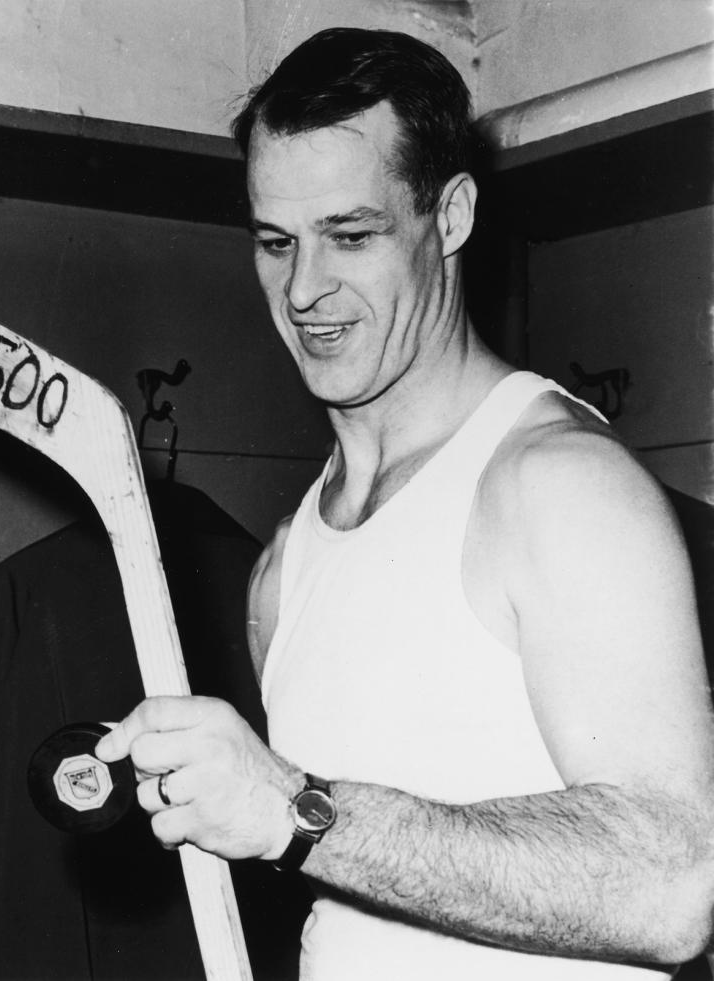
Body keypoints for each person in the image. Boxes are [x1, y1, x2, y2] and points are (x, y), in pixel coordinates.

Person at [96, 27, 714, 977]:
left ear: (452, 215)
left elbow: (676, 885)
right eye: (276, 242)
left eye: (351, 235)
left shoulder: (557, 485)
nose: (304, 289)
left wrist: (293, 809)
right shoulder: (289, 555)